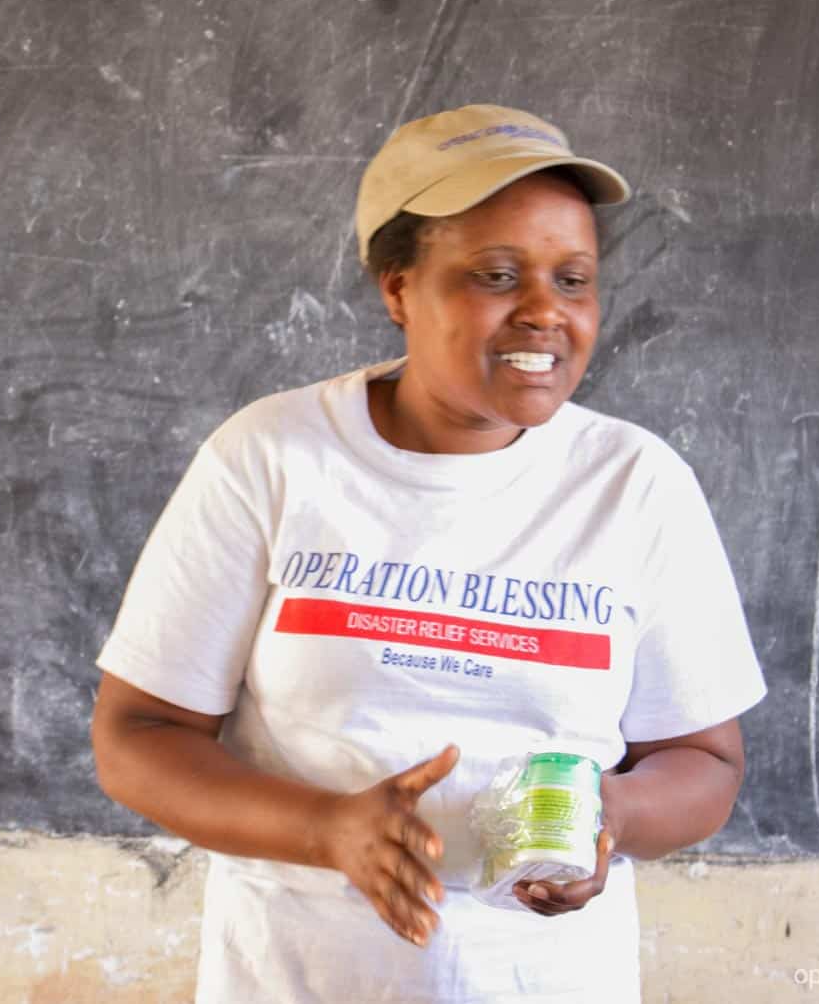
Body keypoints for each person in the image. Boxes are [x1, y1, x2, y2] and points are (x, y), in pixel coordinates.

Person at [91, 103, 766, 1002]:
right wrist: (328, 827)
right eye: (495, 274)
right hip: (295, 979)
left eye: (574, 279)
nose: (544, 312)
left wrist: (608, 818)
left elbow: (705, 763)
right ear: (398, 287)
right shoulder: (273, 456)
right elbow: (137, 736)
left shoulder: (636, 484)